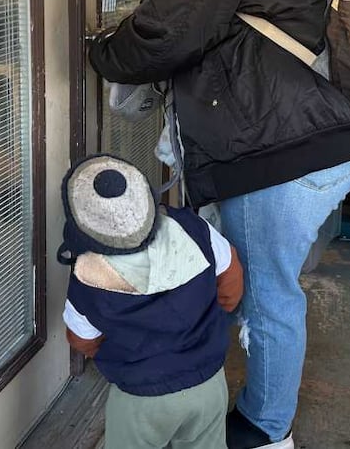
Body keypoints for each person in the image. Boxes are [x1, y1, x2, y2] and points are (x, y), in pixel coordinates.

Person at [87, 0, 350, 449]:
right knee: (256, 279)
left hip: (285, 145)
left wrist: (98, 51)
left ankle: (266, 430)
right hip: (326, 126)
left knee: (267, 294)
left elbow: (167, 33)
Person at [59, 154, 244, 449]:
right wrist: (217, 314)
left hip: (140, 399)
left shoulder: (88, 276)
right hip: (208, 382)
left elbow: (83, 339)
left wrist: (115, 346)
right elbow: (230, 279)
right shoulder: (192, 228)